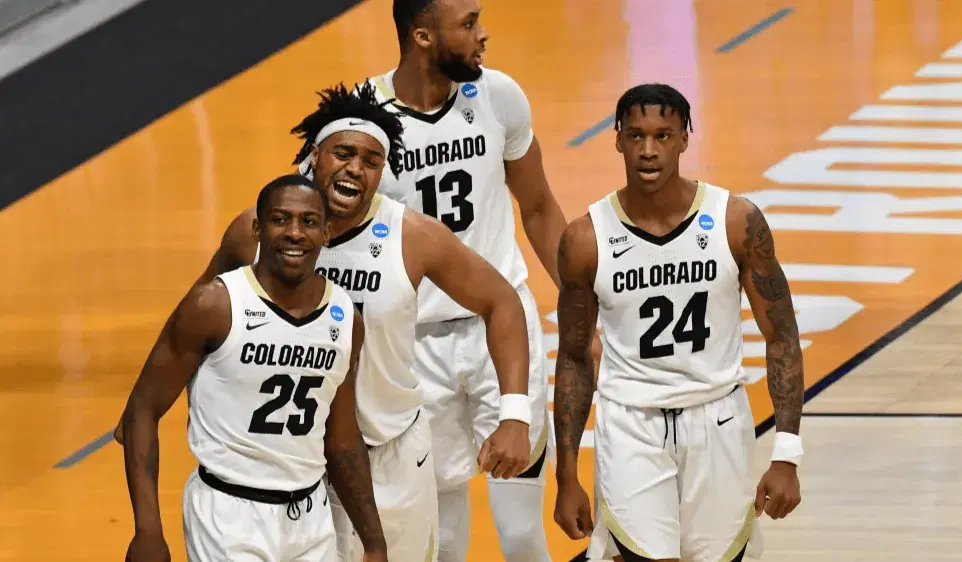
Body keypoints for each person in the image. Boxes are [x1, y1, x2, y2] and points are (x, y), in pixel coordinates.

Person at [117, 81, 535, 561]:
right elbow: (196, 318)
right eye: (343, 153)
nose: (355, 168)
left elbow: (503, 301)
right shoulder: (261, 227)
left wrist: (515, 414)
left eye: (371, 161)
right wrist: (145, 408)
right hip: (298, 470)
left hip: (389, 449)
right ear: (314, 156)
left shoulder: (411, 236)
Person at [353, 1, 572, 559]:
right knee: (440, 532)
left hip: (501, 328)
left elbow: (541, 208)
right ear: (423, 36)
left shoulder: (499, 96)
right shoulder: (359, 122)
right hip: (410, 344)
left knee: (521, 532)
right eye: (468, 24)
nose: (483, 34)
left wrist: (583, 305)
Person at [552, 84, 805, 562]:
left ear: (686, 138)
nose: (649, 150)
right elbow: (573, 356)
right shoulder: (585, 239)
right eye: (637, 135)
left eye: (664, 135)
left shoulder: (736, 221)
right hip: (631, 420)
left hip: (719, 418)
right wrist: (567, 475)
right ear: (618, 139)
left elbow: (782, 337)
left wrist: (787, 454)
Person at [119, 175, 388, 562]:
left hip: (311, 516)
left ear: (327, 232)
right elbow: (142, 409)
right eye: (281, 219)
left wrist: (374, 542)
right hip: (228, 513)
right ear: (258, 229)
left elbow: (342, 438)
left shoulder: (345, 318)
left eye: (309, 222)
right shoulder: (214, 305)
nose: (295, 233)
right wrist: (147, 531)